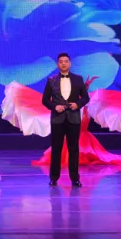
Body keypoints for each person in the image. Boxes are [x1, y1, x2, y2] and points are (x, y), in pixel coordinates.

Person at [41, 53, 87, 187]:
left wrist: (77, 104)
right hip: (57, 119)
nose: (63, 64)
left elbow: (85, 98)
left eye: (66, 61)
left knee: (74, 149)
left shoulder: (78, 79)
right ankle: (54, 178)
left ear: (70, 63)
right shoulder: (51, 80)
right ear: (57, 64)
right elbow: (45, 100)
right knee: (56, 149)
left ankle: (75, 178)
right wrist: (55, 106)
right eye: (61, 62)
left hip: (73, 118)